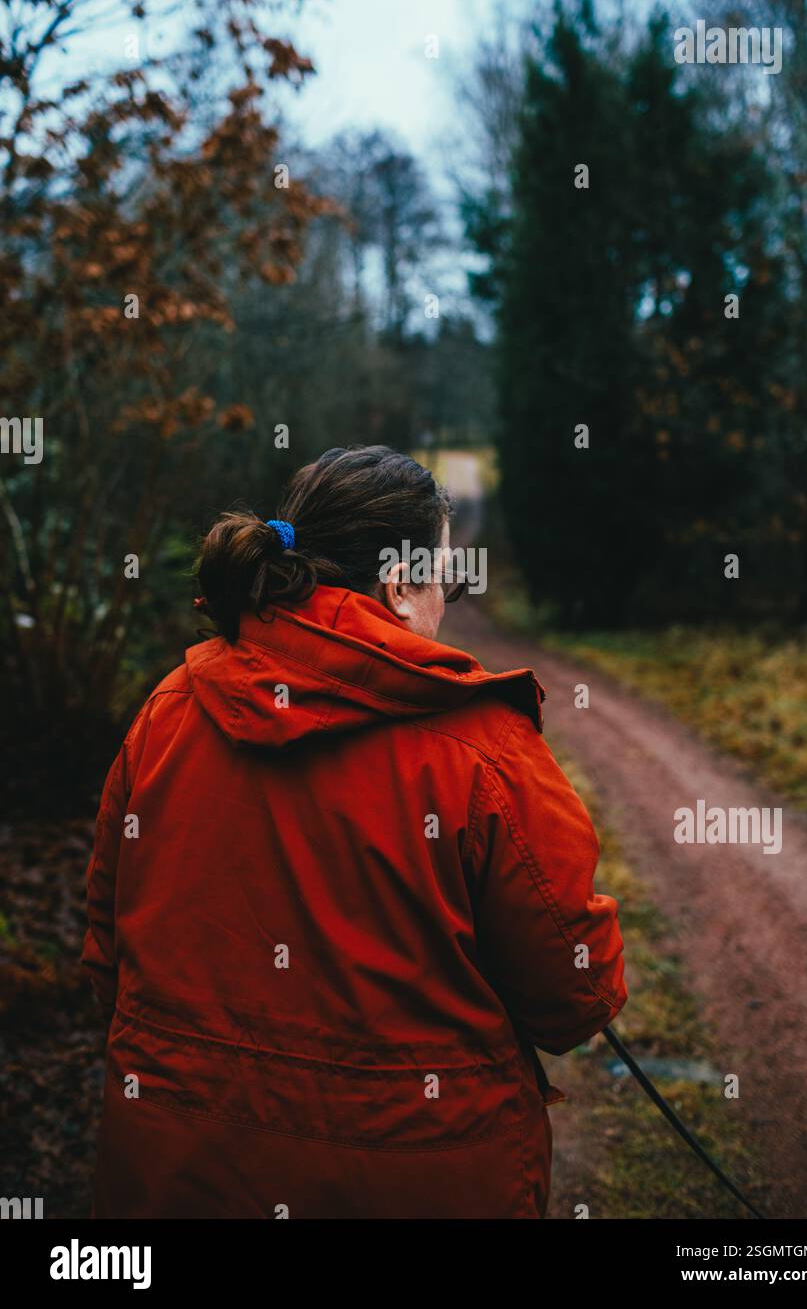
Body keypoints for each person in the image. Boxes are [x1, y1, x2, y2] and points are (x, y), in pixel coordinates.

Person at [82, 443, 626, 1219]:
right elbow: (574, 998)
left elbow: (106, 958)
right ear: (401, 587)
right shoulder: (484, 751)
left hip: (172, 1176)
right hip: (422, 1183)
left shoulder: (167, 712)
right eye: (445, 579)